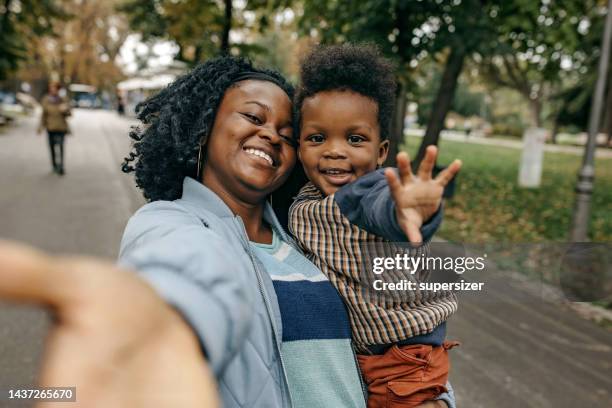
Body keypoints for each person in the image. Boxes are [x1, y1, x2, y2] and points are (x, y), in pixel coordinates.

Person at [0, 55, 455, 407]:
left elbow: (397, 318)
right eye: (253, 118)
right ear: (204, 129)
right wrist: (162, 316)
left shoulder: (304, 230)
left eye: (288, 131)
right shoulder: (172, 224)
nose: (272, 136)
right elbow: (184, 270)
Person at [289, 44, 461, 407]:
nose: (336, 151)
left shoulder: (369, 191)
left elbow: (383, 207)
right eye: (318, 138)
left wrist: (412, 212)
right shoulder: (304, 197)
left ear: (381, 152)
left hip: (405, 355)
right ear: (299, 145)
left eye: (355, 139)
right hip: (370, 354)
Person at [38, 81, 71, 175]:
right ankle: (54, 166)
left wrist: (65, 110)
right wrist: (40, 127)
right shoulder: (46, 99)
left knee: (60, 147)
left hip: (61, 128)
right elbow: (43, 114)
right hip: (50, 127)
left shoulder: (63, 99)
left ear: (58, 89)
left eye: (54, 88)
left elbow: (69, 114)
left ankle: (61, 166)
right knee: (52, 147)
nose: (52, 90)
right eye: (51, 88)